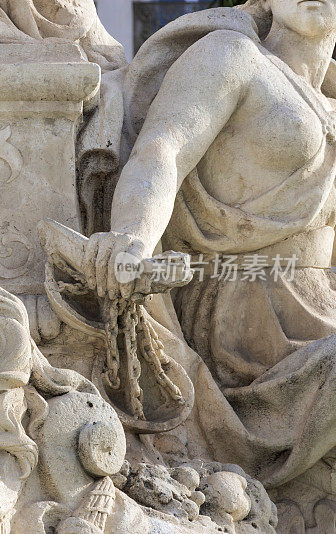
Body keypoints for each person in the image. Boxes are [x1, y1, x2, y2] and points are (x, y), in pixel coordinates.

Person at [56, 0, 336, 518]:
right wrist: (133, 241)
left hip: (319, 307)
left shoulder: (330, 101)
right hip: (243, 310)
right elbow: (163, 151)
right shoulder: (232, 57)